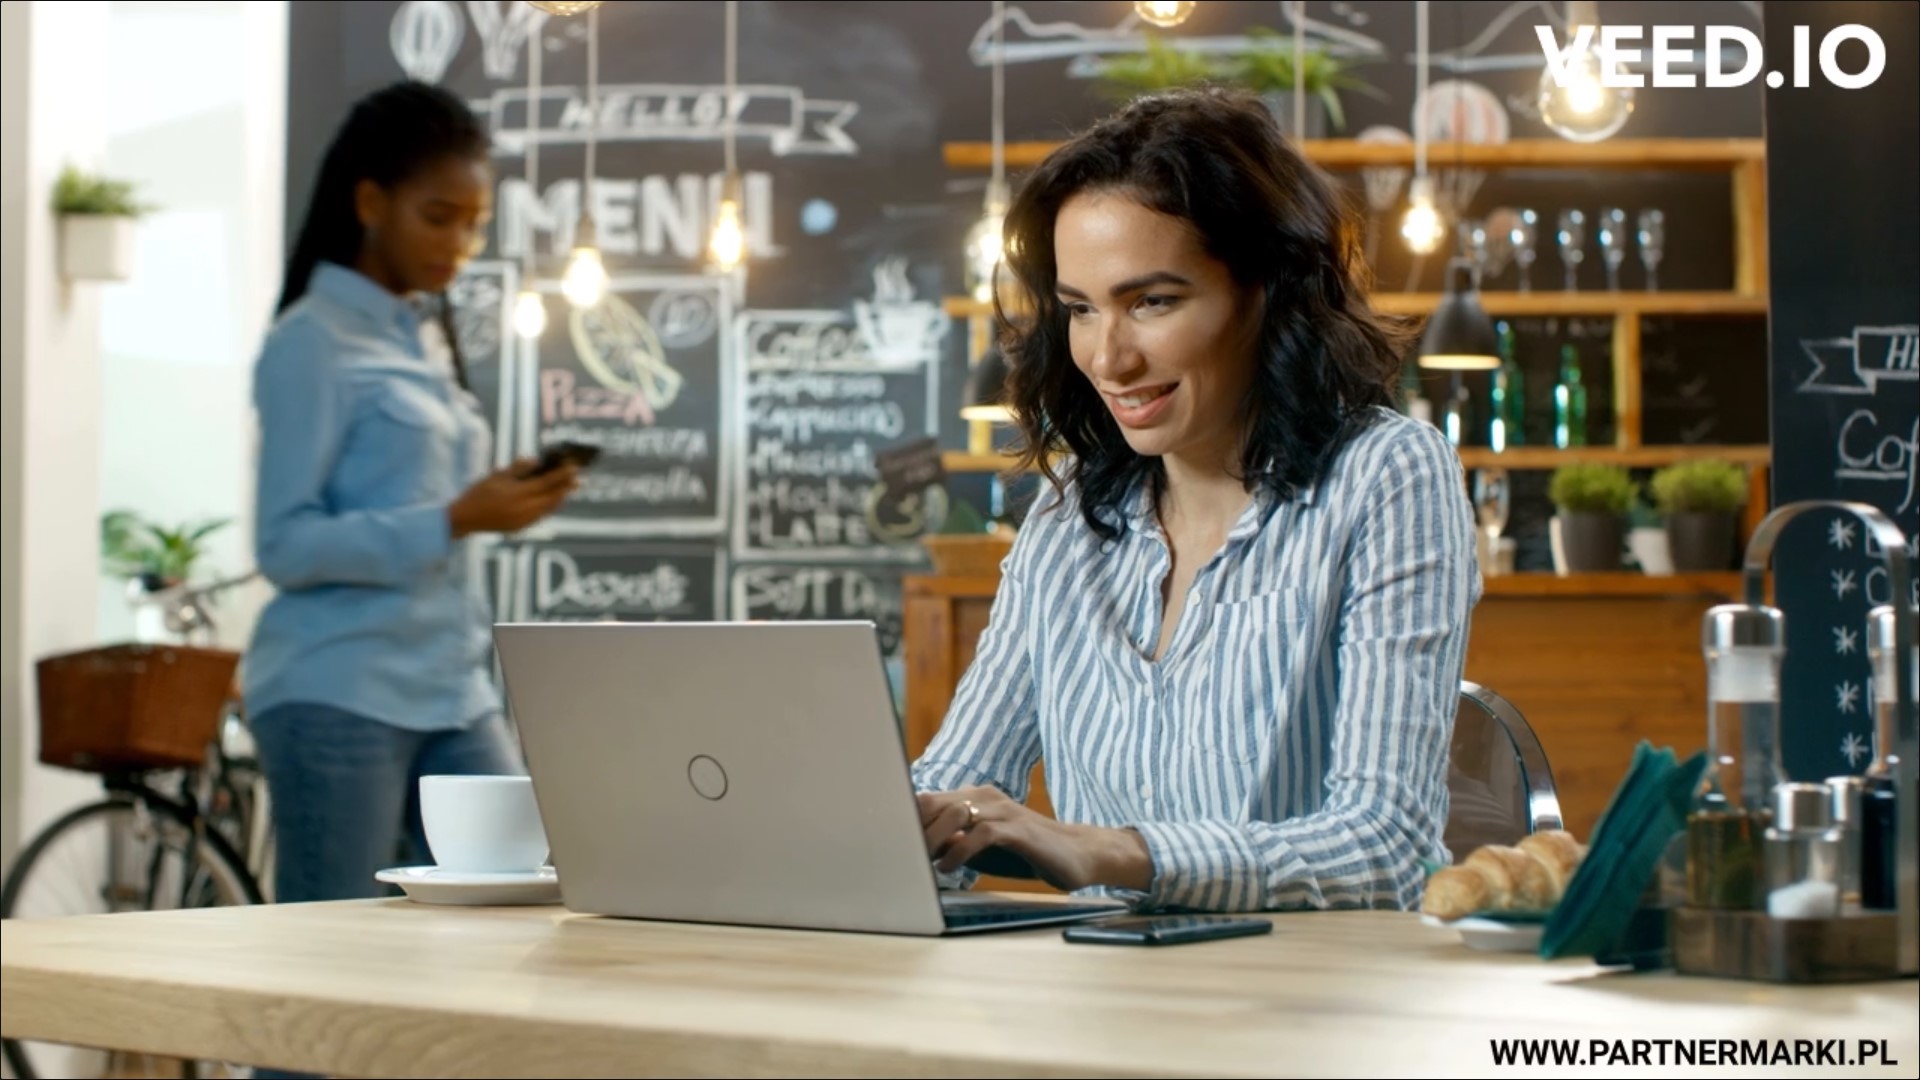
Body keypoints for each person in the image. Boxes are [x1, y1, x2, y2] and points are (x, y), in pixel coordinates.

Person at [911, 87, 1482, 913]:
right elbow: (957, 785)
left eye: (1152, 301)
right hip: (1102, 1000)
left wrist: (1107, 851)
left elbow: (1383, 844)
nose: (1107, 358)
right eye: (1079, 309)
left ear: (1266, 291)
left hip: (1315, 1008)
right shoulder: (1071, 516)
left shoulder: (1388, 475)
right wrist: (888, 833)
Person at [244, 81, 579, 919]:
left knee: (529, 902)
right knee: (326, 975)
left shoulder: (422, 339)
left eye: (474, 223)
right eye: (439, 217)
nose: (460, 244)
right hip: (337, 688)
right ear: (370, 201)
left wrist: (493, 504)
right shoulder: (308, 344)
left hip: (451, 685)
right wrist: (456, 518)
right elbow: (284, 545)